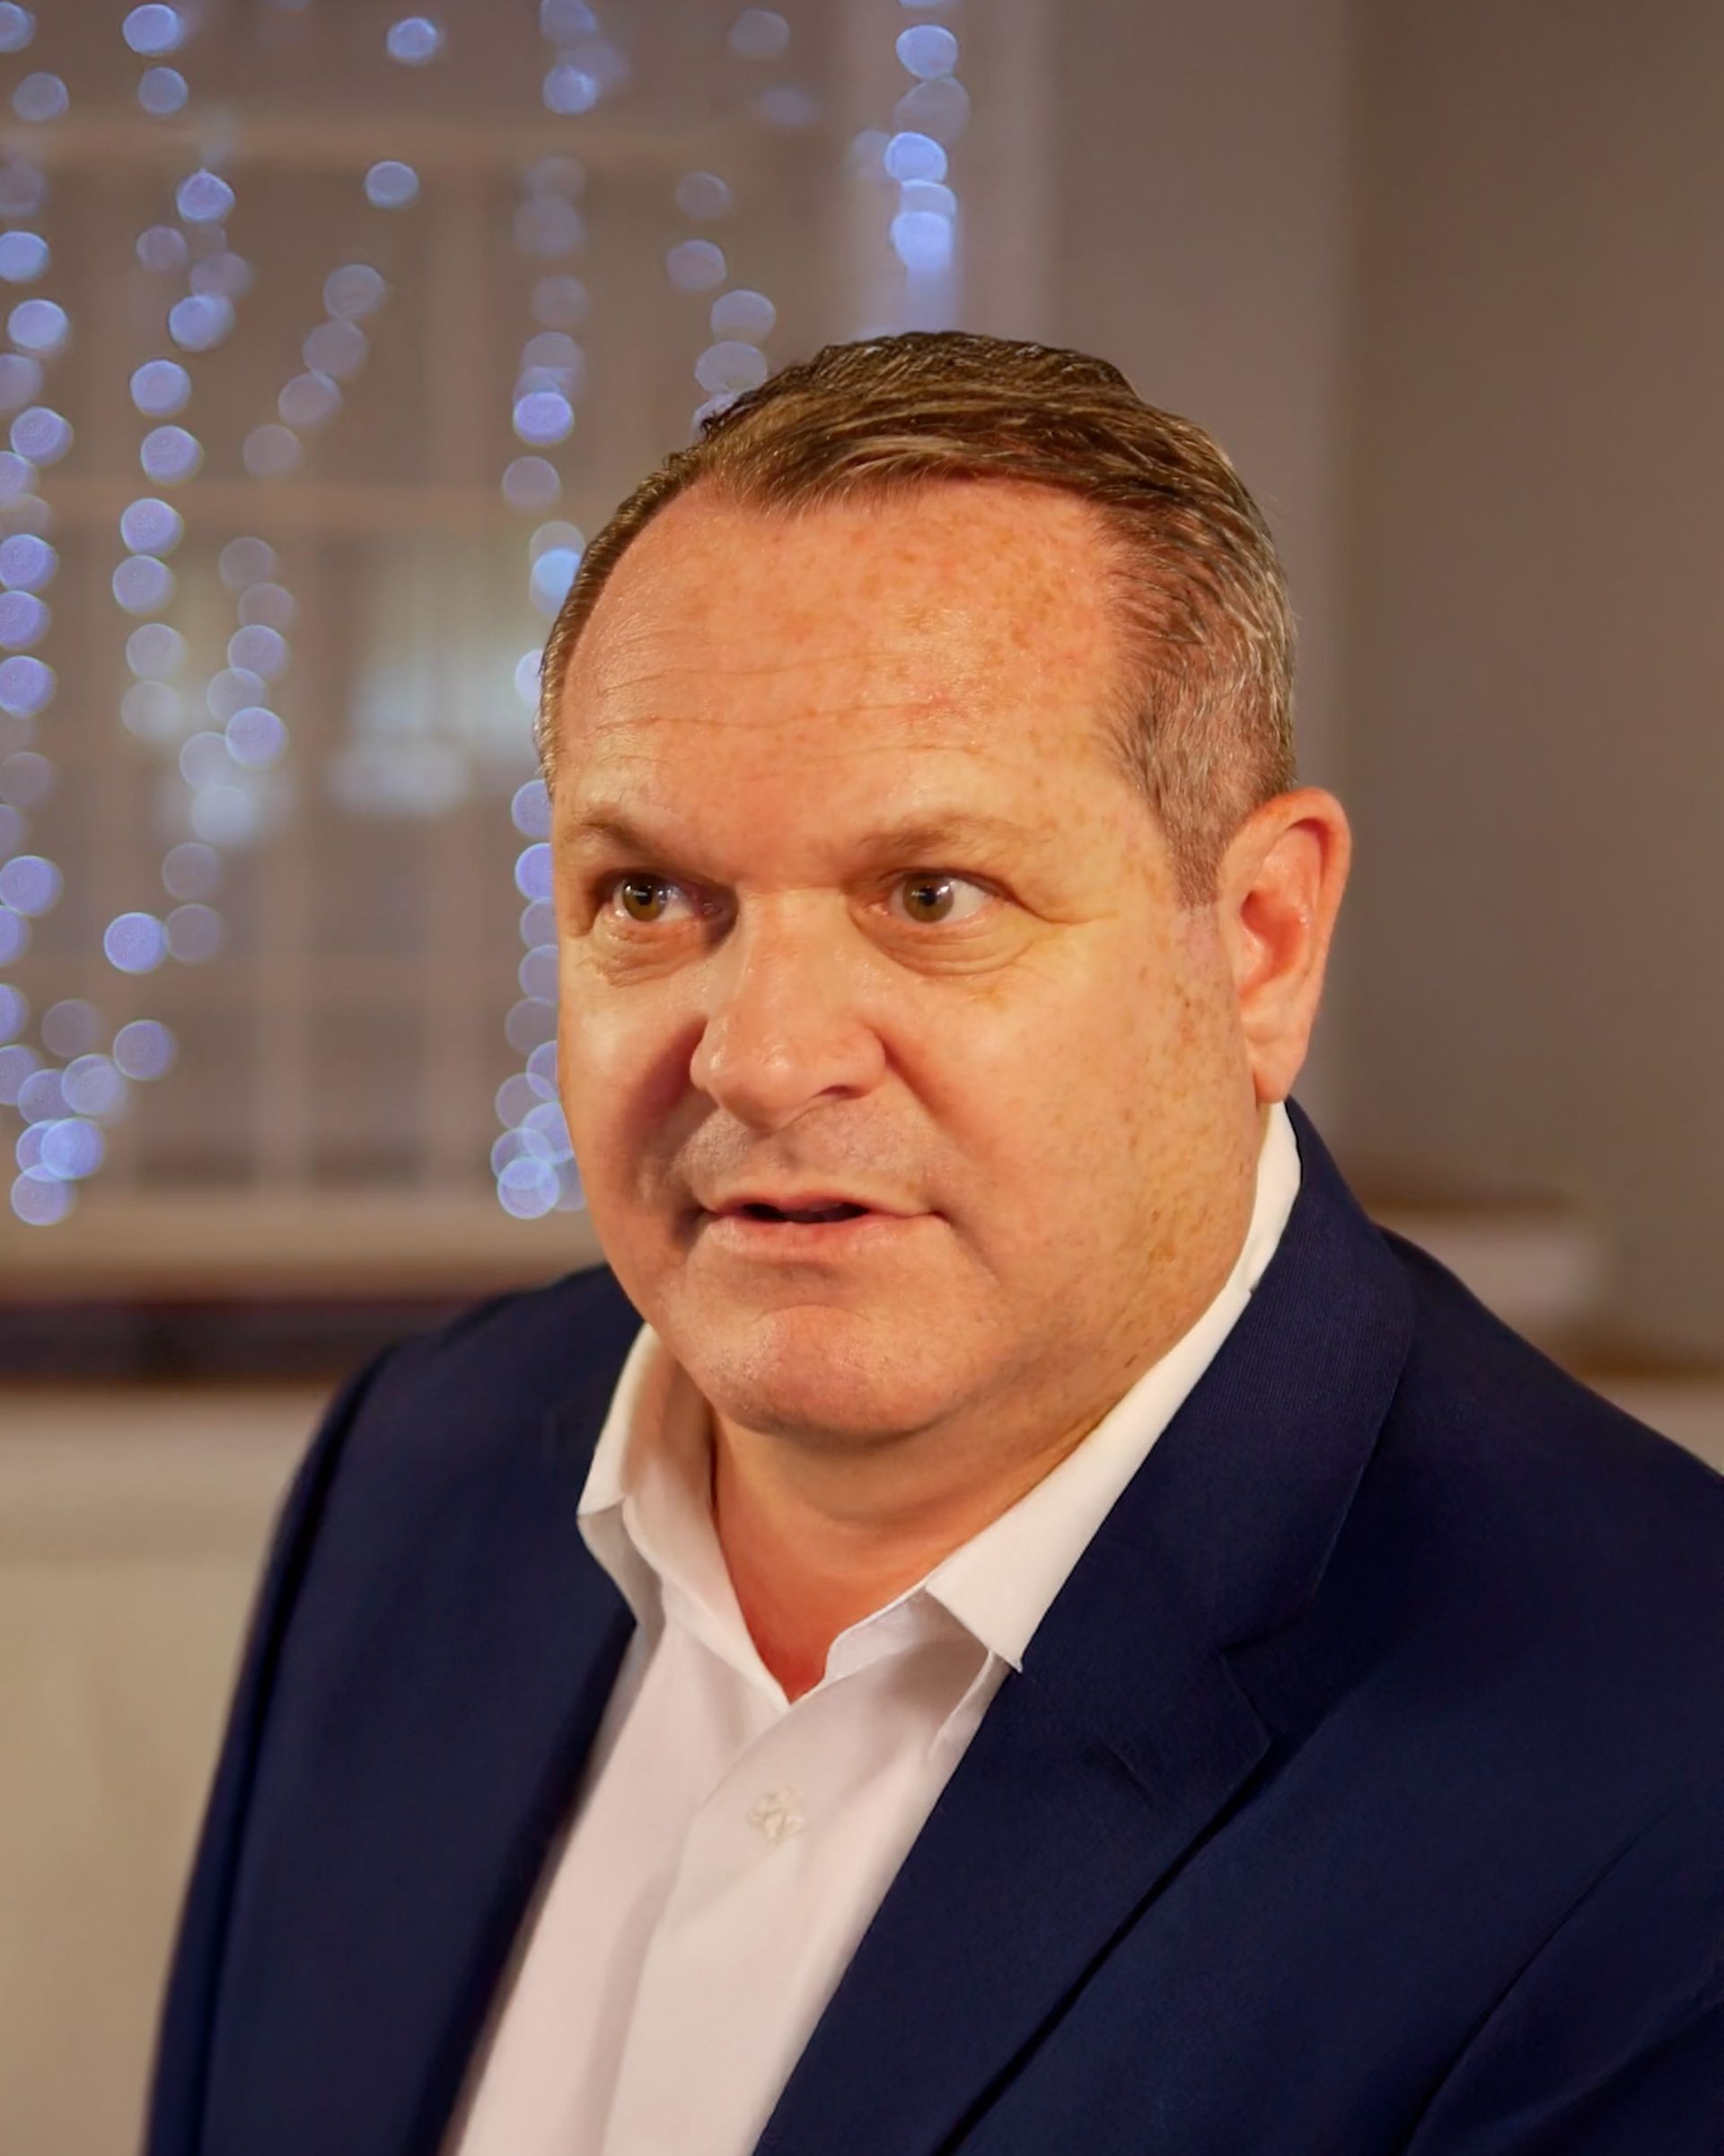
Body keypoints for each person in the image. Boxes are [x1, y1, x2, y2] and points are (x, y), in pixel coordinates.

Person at [145, 332, 1723, 2156]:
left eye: (930, 894)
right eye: (648, 893)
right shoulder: (417, 1466)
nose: (759, 1054)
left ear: (1262, 941)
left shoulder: (1661, 1769)